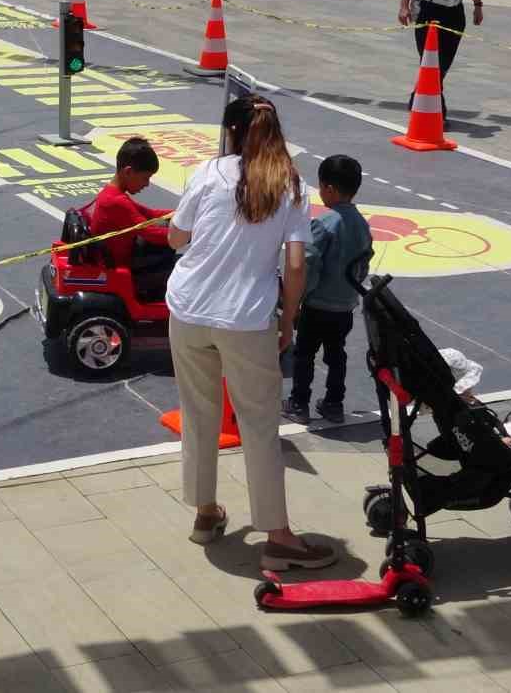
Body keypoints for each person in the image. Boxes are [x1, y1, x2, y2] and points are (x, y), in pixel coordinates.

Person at [166, 94, 337, 571]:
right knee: (259, 426)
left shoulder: (208, 173)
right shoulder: (291, 187)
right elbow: (296, 265)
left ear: (233, 132)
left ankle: (205, 513)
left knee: (199, 414)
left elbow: (175, 238)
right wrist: (288, 320)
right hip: (246, 318)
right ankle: (278, 535)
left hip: (188, 309)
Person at [283, 155, 372, 426]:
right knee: (337, 354)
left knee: (305, 354)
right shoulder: (362, 224)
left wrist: (296, 300)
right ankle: (334, 403)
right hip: (345, 305)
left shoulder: (324, 223)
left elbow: (308, 264)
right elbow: (365, 262)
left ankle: (299, 402)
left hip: (318, 304)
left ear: (330, 189)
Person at [88, 137, 176, 302]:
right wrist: (188, 235)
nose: (147, 184)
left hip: (125, 249)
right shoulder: (116, 202)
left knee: (166, 233)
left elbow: (149, 213)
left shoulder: (112, 193)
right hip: (123, 263)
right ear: (128, 172)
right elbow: (149, 232)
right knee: (179, 265)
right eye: (145, 178)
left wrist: (180, 213)